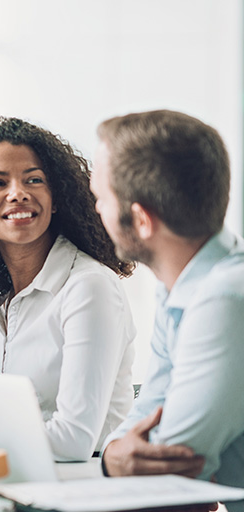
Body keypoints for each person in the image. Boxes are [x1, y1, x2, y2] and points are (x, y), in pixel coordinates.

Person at [0, 117, 136, 460]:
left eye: (34, 180)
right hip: (28, 481)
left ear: (56, 196)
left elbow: (72, 439)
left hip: (86, 486)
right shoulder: (8, 297)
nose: (18, 193)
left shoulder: (89, 287)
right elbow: (28, 409)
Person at [92, 110, 244, 510]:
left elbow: (174, 469)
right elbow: (146, 418)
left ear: (141, 220)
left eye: (101, 199)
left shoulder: (224, 298)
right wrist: (112, 457)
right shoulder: (179, 285)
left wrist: (120, 460)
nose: (96, 212)